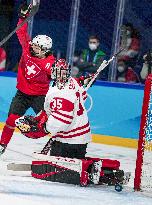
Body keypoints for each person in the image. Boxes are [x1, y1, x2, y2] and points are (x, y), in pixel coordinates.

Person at [0, 2, 55, 155]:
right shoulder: (28, 48)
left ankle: (56, 145)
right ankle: (2, 145)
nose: (33, 47)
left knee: (50, 124)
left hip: (40, 96)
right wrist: (22, 16)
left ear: (45, 50)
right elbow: (21, 31)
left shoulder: (49, 63)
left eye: (37, 47)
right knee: (11, 120)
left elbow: (58, 75)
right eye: (34, 45)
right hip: (22, 94)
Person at [15, 59, 92, 159]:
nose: (61, 76)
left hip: (69, 140)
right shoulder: (73, 82)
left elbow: (61, 122)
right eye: (59, 73)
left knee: (59, 172)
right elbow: (80, 93)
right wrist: (83, 80)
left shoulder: (59, 93)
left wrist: (42, 128)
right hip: (81, 137)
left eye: (63, 73)